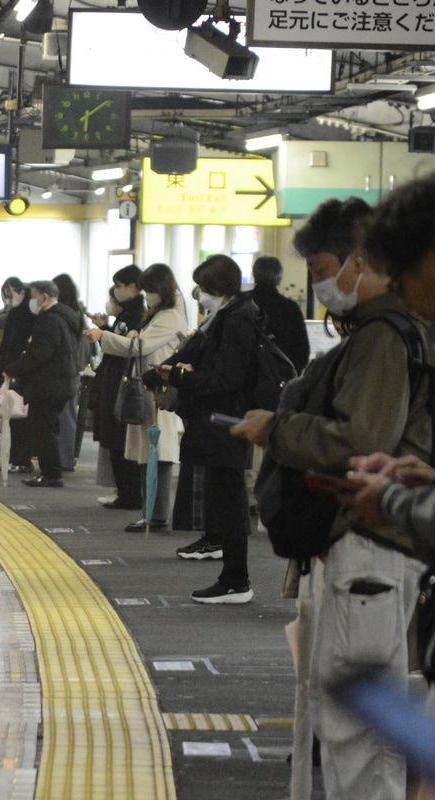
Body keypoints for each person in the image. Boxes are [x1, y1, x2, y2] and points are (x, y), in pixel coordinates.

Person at [233, 194, 431, 800]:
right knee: (377, 724)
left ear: (362, 261)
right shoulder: (403, 330)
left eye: (322, 269)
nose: (319, 285)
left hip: (373, 545)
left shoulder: (385, 335)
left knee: (355, 729)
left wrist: (277, 429)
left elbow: (359, 438)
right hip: (395, 547)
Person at [146, 254, 262, 603]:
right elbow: (201, 356)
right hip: (218, 421)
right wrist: (168, 371)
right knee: (224, 497)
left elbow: (226, 378)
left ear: (219, 288)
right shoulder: (224, 316)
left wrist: (181, 377)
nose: (199, 294)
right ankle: (232, 578)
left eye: (203, 287)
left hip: (226, 420)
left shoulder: (237, 320)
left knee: (230, 499)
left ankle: (236, 580)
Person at [87, 263, 188, 532]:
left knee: (157, 451)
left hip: (159, 393)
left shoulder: (170, 316)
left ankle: (156, 514)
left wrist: (104, 336)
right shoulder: (161, 314)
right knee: (148, 452)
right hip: (149, 390)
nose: (147, 295)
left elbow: (142, 346)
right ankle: (150, 513)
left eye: (150, 289)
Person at [4, 279, 82, 488]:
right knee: (46, 429)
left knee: (42, 431)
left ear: (44, 297)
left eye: (33, 296)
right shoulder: (64, 317)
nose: (31, 301)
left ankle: (51, 474)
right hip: (58, 384)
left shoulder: (50, 321)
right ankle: (51, 473)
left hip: (49, 386)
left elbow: (38, 354)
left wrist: (13, 368)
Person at [89, 265, 145, 509]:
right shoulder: (127, 314)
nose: (115, 292)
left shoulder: (135, 315)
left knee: (120, 441)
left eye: (118, 287)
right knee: (115, 441)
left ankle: (129, 495)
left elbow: (125, 348)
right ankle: (125, 493)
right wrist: (105, 331)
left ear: (132, 287)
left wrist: (103, 335)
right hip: (114, 380)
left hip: (121, 383)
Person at [0, 278, 37, 473]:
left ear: (21, 292)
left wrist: (12, 369)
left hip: (21, 375)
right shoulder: (14, 314)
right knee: (11, 419)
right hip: (10, 373)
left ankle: (22, 460)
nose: (8, 300)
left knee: (20, 420)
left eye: (10, 295)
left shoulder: (29, 315)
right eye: (5, 296)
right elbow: (5, 346)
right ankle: (15, 458)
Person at [52, 273, 89, 472]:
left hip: (64, 372)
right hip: (73, 372)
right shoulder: (78, 314)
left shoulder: (63, 315)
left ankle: (64, 460)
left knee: (65, 417)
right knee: (67, 417)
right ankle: (65, 459)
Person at [250, 254, 310, 372]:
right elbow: (302, 351)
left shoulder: (240, 304)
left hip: (244, 378)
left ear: (254, 275)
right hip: (281, 377)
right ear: (279, 278)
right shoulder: (290, 308)